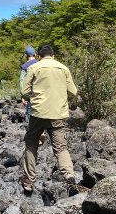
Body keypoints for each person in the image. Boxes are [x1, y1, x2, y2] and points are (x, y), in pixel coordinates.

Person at [19, 45, 78, 193]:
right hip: (58, 113)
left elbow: (24, 91)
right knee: (61, 148)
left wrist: (33, 98)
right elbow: (73, 92)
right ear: (53, 55)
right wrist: (62, 99)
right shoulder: (63, 68)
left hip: (38, 113)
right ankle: (69, 178)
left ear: (39, 55)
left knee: (31, 143)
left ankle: (29, 181)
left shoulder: (34, 67)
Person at [19, 46, 39, 118]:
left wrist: (23, 96)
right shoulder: (41, 64)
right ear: (35, 54)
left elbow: (22, 82)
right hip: (42, 95)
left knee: (30, 117)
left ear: (25, 55)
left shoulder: (24, 67)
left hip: (30, 95)